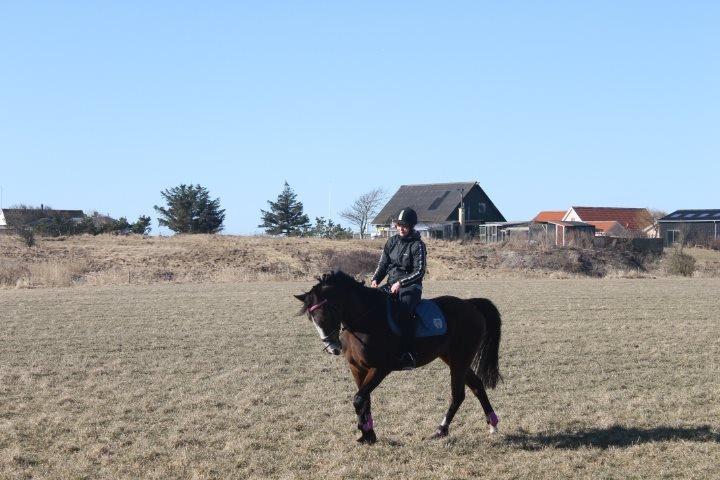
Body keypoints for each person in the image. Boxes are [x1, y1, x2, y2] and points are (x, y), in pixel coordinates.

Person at [370, 207, 427, 370]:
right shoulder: (391, 242)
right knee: (372, 305)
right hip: (390, 284)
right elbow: (383, 264)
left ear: (411, 227)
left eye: (405, 225)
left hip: (411, 287)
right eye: (398, 225)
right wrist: (375, 279)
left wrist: (401, 283)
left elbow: (420, 271)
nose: (401, 228)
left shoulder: (418, 245)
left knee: (403, 312)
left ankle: (408, 353)